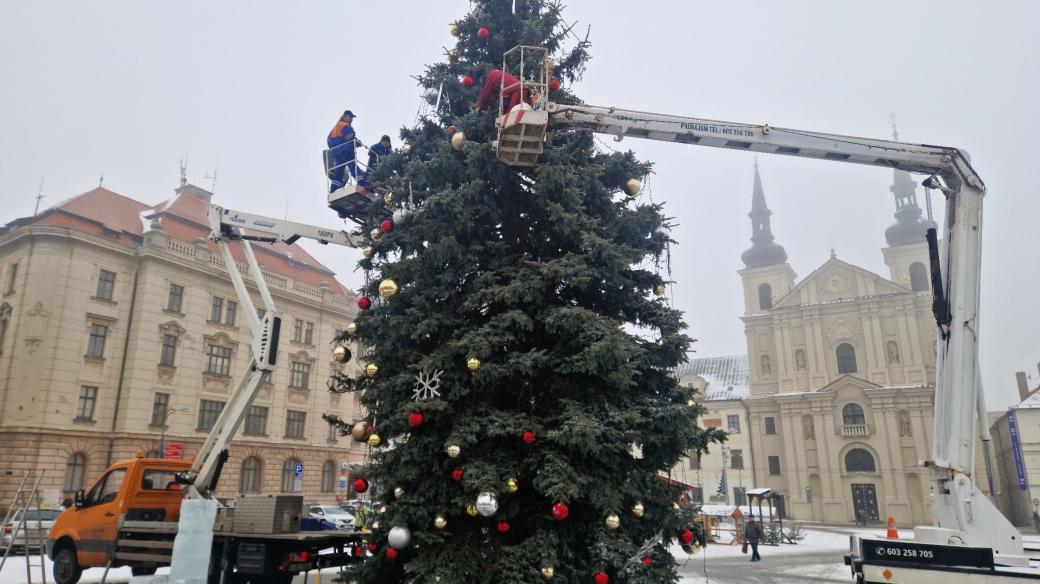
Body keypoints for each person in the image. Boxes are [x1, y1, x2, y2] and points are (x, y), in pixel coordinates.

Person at [327, 110, 360, 192]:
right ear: (345, 116)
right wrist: (357, 142)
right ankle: (363, 184)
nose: (351, 119)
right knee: (353, 167)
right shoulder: (345, 125)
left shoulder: (336, 127)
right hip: (345, 151)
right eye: (350, 117)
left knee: (339, 172)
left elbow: (329, 140)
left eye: (352, 117)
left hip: (338, 153)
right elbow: (349, 136)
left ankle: (333, 190)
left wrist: (336, 148)